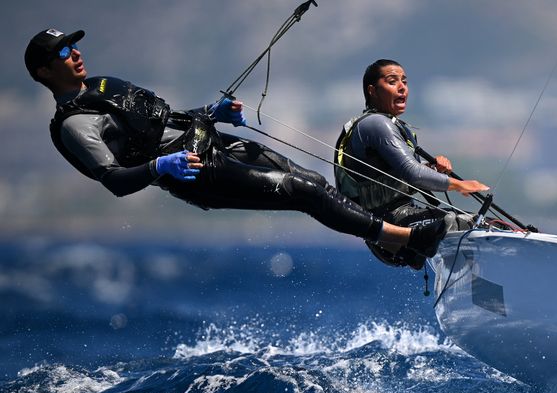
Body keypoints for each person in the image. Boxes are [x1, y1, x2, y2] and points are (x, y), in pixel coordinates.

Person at [25, 29, 447, 257]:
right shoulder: (75, 125)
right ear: (44, 72)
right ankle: (402, 239)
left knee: (308, 178)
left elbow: (160, 122)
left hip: (213, 141)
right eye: (63, 53)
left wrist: (212, 112)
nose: (75, 53)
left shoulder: (103, 84)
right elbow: (115, 180)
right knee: (306, 191)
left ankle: (393, 237)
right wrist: (160, 169)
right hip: (196, 171)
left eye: (74, 45)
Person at [334, 59, 490, 269]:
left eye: (404, 82)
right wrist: (459, 184)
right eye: (392, 81)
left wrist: (431, 168)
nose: (402, 88)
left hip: (395, 227)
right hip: (391, 229)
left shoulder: (387, 125)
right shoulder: (375, 124)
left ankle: (469, 285)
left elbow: (404, 176)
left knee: (480, 225)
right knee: (468, 226)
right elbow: (412, 174)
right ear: (372, 90)